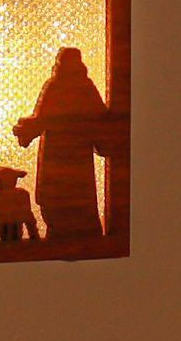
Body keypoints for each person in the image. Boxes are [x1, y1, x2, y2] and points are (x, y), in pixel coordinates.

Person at [12, 48, 124, 240]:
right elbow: (43, 119)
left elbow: (44, 119)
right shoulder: (72, 86)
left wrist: (27, 129)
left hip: (70, 156)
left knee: (73, 199)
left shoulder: (64, 86)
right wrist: (28, 128)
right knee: (60, 199)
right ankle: (62, 234)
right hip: (64, 156)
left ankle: (78, 235)